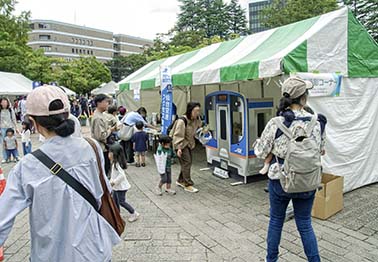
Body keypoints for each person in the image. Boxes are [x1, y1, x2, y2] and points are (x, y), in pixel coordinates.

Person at [0, 85, 120, 261]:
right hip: (96, 250)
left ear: (33, 122)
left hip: (53, 254)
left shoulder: (27, 166)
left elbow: (3, 217)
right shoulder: (92, 147)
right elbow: (103, 190)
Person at [254, 77, 326, 262]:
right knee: (305, 224)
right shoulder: (316, 122)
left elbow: (261, 152)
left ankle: (271, 259)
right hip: (307, 181)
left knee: (276, 221)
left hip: (280, 180)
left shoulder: (276, 122)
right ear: (304, 98)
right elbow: (321, 149)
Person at [171, 102, 203, 193]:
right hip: (181, 145)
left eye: (198, 111)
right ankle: (188, 184)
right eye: (196, 111)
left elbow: (199, 127)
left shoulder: (196, 119)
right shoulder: (182, 121)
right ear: (190, 111)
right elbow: (177, 136)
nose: (198, 113)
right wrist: (179, 148)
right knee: (187, 162)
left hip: (189, 144)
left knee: (186, 163)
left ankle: (180, 180)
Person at [109, 143, 140, 223]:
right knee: (115, 201)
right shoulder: (114, 163)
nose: (109, 154)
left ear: (115, 154)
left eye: (110, 152)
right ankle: (117, 215)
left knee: (121, 202)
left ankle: (134, 213)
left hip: (121, 187)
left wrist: (114, 182)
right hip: (116, 187)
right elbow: (113, 175)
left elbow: (122, 175)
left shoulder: (117, 164)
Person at [91, 94, 117, 177]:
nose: (108, 104)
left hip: (103, 147)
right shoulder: (98, 117)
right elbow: (101, 136)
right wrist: (111, 130)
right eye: (106, 102)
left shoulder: (101, 114)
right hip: (102, 148)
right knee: (104, 170)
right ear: (99, 103)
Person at [0, 98, 18, 163]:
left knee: (13, 142)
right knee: (3, 143)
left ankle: (16, 156)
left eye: (6, 102)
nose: (4, 103)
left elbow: (14, 119)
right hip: (2, 128)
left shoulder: (10, 110)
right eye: (3, 102)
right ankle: (5, 157)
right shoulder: (0, 111)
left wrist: (16, 128)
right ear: (0, 103)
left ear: (7, 103)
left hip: (10, 128)